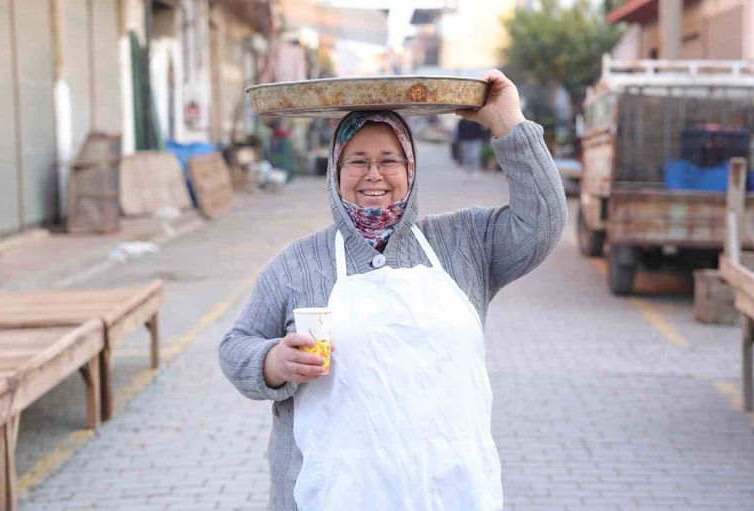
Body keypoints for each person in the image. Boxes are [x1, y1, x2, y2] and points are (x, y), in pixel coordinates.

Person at [219, 69, 567, 510]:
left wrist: (508, 123)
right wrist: (273, 363)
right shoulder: (297, 264)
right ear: (336, 171)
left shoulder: (464, 242)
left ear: (410, 168)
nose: (374, 175)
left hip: (450, 493)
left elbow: (542, 224)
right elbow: (236, 346)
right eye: (357, 161)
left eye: (389, 160)